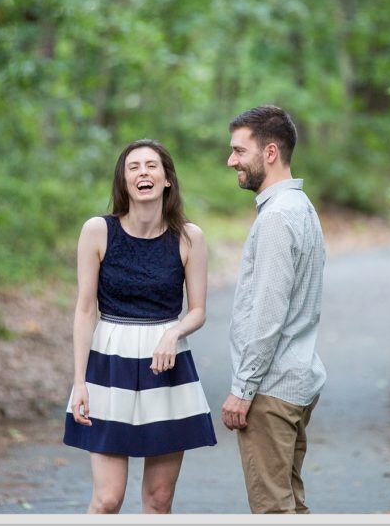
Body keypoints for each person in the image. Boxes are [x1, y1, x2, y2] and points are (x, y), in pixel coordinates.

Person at [64, 139, 216, 514]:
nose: (143, 172)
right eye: (133, 167)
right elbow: (85, 310)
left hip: (166, 369)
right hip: (109, 366)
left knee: (159, 500)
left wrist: (173, 331)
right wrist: (79, 381)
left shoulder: (189, 237)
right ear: (124, 179)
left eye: (152, 166)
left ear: (166, 180)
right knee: (107, 499)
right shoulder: (98, 231)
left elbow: (197, 310)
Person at [220, 105, 327, 514]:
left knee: (273, 511)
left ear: (269, 152)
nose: (231, 161)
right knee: (291, 506)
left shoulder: (279, 218)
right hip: (293, 384)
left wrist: (242, 390)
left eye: (238, 151)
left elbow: (268, 315)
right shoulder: (300, 207)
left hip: (270, 391)